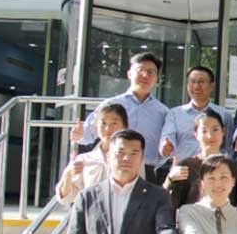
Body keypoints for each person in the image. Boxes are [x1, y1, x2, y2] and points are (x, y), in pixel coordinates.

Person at [72, 52, 169, 183]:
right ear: (129, 74)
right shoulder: (111, 105)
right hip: (112, 169)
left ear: (157, 78)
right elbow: (86, 136)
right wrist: (79, 134)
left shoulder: (163, 112)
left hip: (147, 172)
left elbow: (166, 149)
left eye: (151, 72)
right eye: (140, 70)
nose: (145, 75)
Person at [56, 103, 130, 205]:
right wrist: (68, 173)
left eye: (114, 123)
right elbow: (65, 198)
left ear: (124, 126)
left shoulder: (132, 158)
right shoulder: (84, 159)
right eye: (103, 123)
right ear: (95, 127)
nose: (108, 129)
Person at [164, 108, 237, 210]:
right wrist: (170, 180)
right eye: (204, 131)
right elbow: (167, 203)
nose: (210, 136)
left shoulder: (233, 168)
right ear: (196, 134)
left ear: (223, 131)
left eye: (215, 130)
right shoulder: (186, 166)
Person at [160, 66, 234, 164]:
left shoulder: (224, 115)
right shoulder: (175, 114)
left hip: (213, 170)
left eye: (201, 82)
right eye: (192, 81)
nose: (196, 86)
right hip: (184, 169)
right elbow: (167, 139)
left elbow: (228, 148)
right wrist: (166, 147)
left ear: (212, 86)